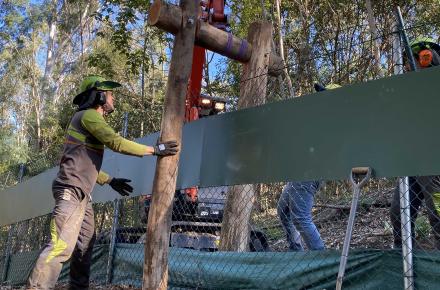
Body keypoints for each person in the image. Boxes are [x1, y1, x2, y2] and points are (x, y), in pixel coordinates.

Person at [26, 75, 179, 290]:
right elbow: (115, 142)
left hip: (81, 193)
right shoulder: (87, 115)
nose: (113, 98)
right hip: (72, 189)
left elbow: (82, 162)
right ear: (98, 95)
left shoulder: (86, 121)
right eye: (109, 93)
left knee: (85, 244)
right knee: (61, 245)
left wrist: (110, 180)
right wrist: (155, 150)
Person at [389, 38, 440, 250]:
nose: (411, 65)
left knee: (436, 211)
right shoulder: (407, 93)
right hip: (412, 162)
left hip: (433, 160)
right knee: (398, 212)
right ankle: (403, 256)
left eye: (418, 59)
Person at [277, 83, 340, 251]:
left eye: (324, 94)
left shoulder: (333, 120)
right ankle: (296, 251)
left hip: (310, 172)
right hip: (300, 171)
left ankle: (320, 258)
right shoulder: (319, 118)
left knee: (301, 217)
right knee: (283, 211)